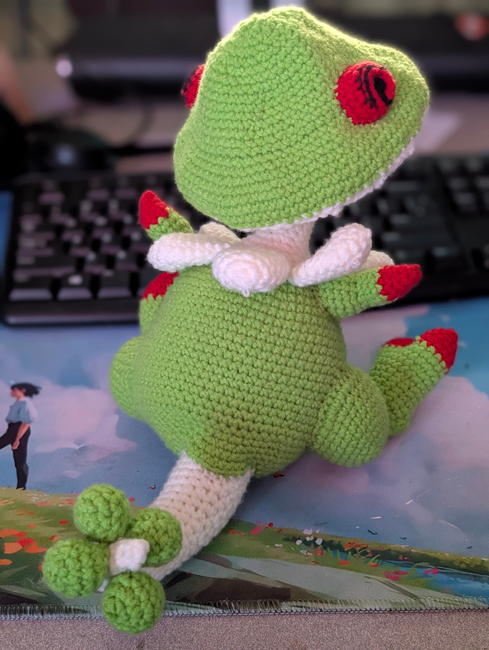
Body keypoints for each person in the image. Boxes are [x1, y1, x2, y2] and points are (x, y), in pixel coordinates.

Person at [0, 382, 40, 490]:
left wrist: (17, 439)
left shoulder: (25, 404)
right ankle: (21, 487)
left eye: (14, 390)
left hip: (20, 430)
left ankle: (21, 487)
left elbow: (26, 423)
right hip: (12, 430)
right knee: (19, 460)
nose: (12, 392)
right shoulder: (18, 404)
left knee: (20, 460)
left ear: (22, 391)